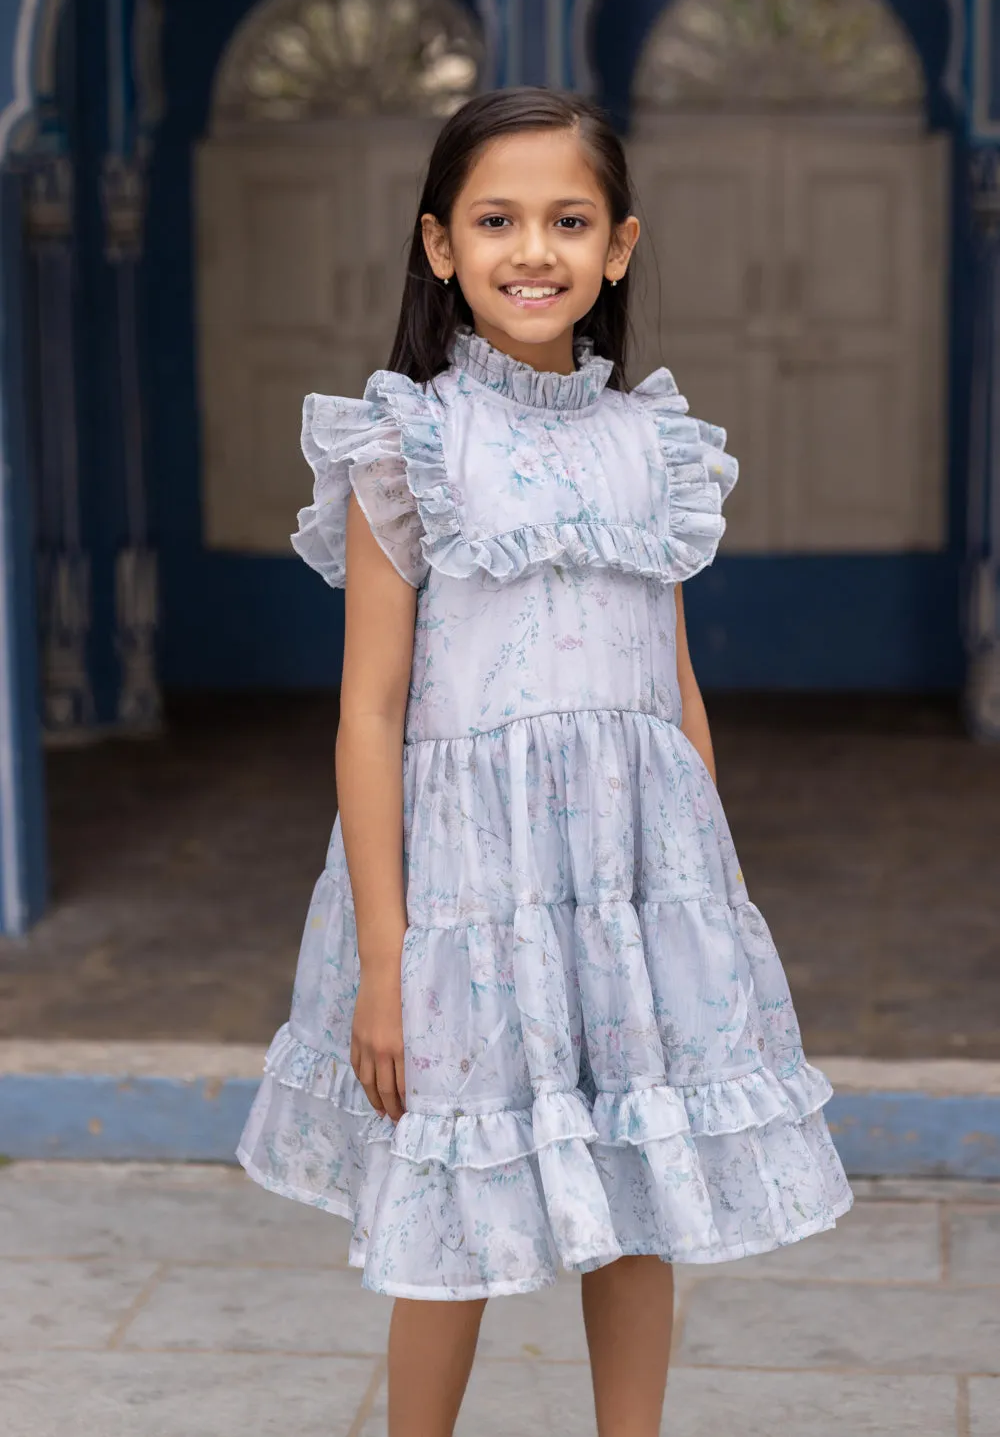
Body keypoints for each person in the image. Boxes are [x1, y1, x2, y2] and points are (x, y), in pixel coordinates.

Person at [237, 86, 852, 1437]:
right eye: (498, 220)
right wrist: (388, 958)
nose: (535, 249)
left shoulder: (658, 447)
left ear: (618, 246)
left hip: (633, 893)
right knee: (450, 1192)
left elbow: (672, 691)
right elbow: (373, 713)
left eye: (568, 220)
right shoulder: (408, 446)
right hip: (463, 902)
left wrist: (713, 911)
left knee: (641, 1179)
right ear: (441, 246)